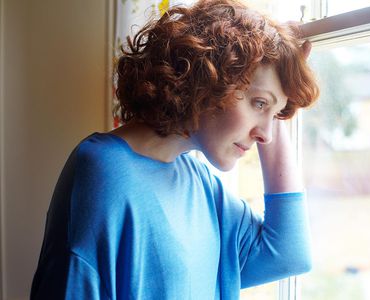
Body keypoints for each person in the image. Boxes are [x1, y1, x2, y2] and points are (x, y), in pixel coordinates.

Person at [30, 0, 319, 299]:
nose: (266, 135)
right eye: (258, 103)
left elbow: (289, 253)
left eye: (275, 116)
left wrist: (280, 86)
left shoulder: (201, 184)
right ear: (209, 78)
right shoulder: (103, 171)